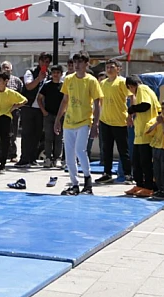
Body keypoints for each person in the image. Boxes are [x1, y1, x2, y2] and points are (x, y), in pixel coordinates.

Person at [54, 52, 102, 196]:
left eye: (80, 62)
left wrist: (95, 124)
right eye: (75, 62)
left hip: (84, 120)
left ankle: (87, 182)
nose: (77, 65)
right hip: (69, 121)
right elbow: (65, 100)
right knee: (69, 155)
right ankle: (74, 184)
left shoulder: (92, 81)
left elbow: (97, 103)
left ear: (87, 64)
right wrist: (58, 119)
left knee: (80, 150)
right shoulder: (68, 79)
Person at [97, 59, 133, 183]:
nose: (109, 69)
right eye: (107, 67)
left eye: (112, 67)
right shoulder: (102, 83)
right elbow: (99, 101)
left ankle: (128, 175)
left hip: (120, 121)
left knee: (123, 150)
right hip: (105, 120)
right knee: (106, 149)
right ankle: (107, 173)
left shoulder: (123, 82)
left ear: (118, 69)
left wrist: (130, 115)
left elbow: (132, 96)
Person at [125, 75, 161, 198]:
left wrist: (131, 109)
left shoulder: (142, 89)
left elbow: (146, 105)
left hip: (147, 133)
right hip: (140, 133)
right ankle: (139, 184)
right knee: (137, 161)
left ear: (131, 86)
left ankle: (149, 186)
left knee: (145, 162)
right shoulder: (143, 90)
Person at [18, 53, 51, 168]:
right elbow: (28, 86)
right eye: (43, 61)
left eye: (47, 62)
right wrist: (39, 79)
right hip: (29, 107)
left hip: (41, 109)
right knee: (27, 134)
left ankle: (32, 158)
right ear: (39, 61)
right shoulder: (30, 72)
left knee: (37, 135)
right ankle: (24, 158)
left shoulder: (50, 75)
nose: (45, 64)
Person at [37, 65, 65, 168]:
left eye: (58, 72)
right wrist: (43, 111)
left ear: (61, 74)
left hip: (61, 115)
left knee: (59, 138)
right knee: (48, 137)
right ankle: (48, 158)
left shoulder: (64, 86)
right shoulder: (47, 85)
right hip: (48, 115)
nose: (55, 74)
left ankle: (57, 158)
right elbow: (39, 98)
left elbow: (67, 101)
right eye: (54, 72)